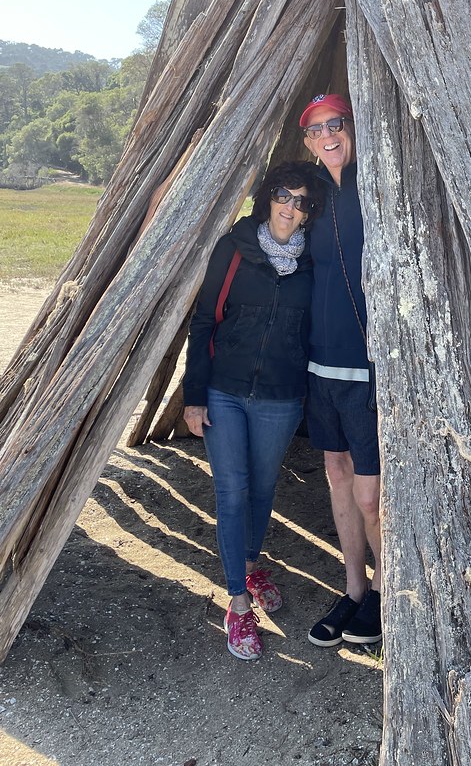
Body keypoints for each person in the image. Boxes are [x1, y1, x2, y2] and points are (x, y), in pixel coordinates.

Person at [183, 160, 323, 661]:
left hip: (281, 397)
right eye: (284, 195)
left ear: (309, 212)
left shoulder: (314, 261)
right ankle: (238, 601)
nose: (291, 207)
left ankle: (247, 563)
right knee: (232, 490)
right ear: (268, 198)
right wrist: (193, 394)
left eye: (302, 200)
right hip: (225, 390)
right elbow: (204, 320)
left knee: (263, 488)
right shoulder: (235, 249)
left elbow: (318, 328)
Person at [299, 93, 382, 647]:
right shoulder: (312, 197)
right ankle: (355, 589)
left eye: (337, 125)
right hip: (319, 366)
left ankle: (388, 589)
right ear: (307, 142)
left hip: (369, 366)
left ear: (353, 127)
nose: (328, 137)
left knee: (373, 494)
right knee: (336, 471)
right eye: (316, 131)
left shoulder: (375, 185)